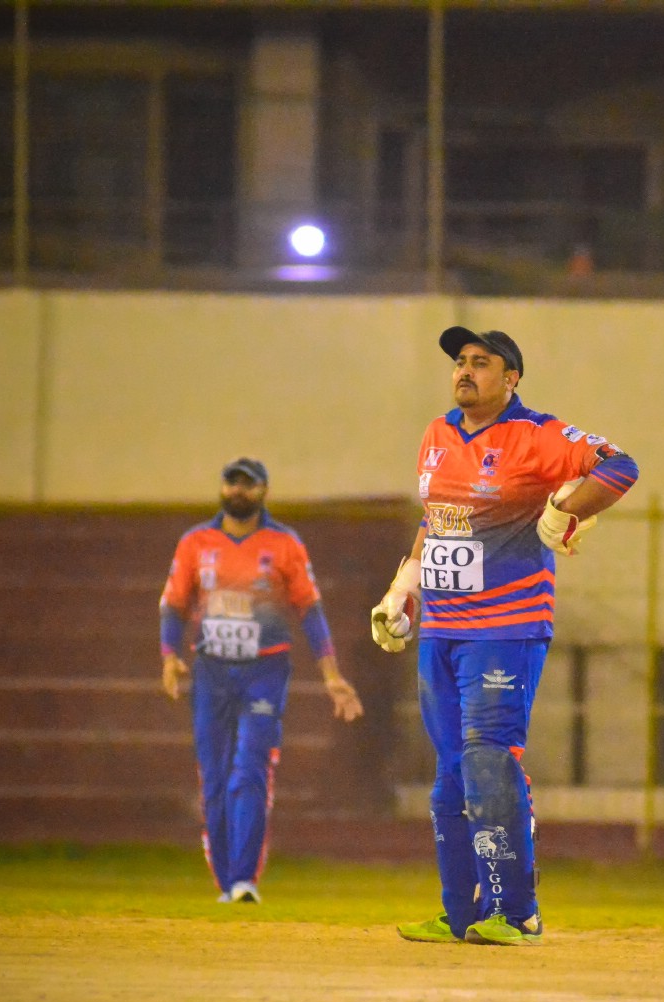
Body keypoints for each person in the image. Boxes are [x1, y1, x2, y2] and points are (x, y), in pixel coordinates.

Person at [370, 326, 639, 946]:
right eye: (460, 362)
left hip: (506, 626)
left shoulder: (537, 434)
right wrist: (401, 590)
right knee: (450, 773)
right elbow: (436, 520)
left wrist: (569, 510)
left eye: (481, 363)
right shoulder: (438, 434)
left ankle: (518, 913)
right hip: (442, 628)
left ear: (511, 378)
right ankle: (461, 915)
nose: (465, 371)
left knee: (489, 758)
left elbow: (621, 466)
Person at [160, 457, 363, 903]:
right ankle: (226, 880)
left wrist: (331, 675)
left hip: (264, 672)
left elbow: (310, 609)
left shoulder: (284, 544)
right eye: (231, 483)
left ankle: (244, 880)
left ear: (263, 491)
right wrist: (169, 657)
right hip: (211, 673)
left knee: (249, 770)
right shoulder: (196, 543)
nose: (238, 491)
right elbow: (173, 605)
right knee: (214, 778)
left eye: (247, 485)